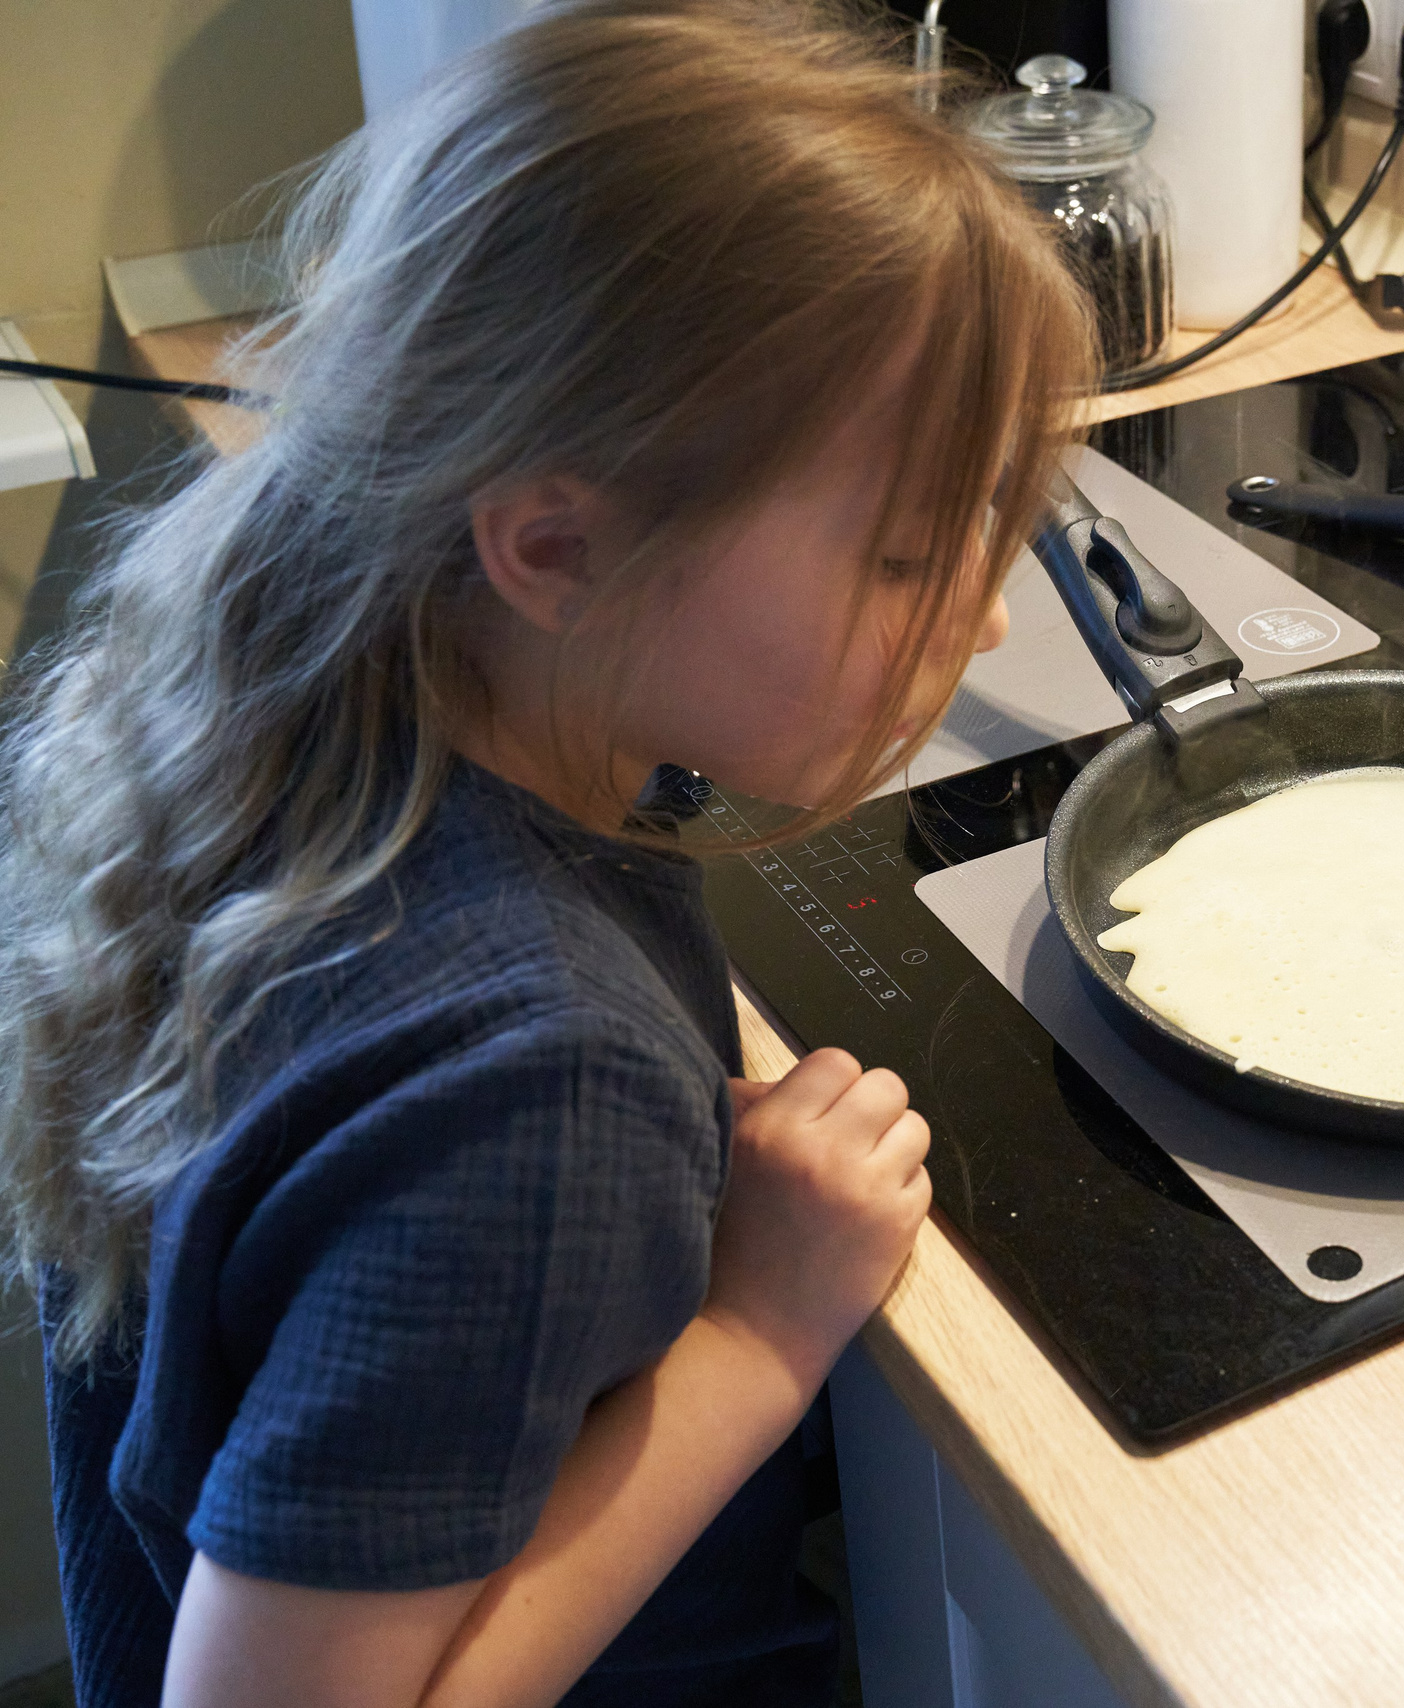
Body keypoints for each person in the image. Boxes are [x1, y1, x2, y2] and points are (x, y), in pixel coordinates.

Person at [0, 2, 1094, 1703]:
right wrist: (759, 1327)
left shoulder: (303, 705)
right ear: (556, 549)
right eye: (904, 556)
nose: (991, 614)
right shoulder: (538, 1087)